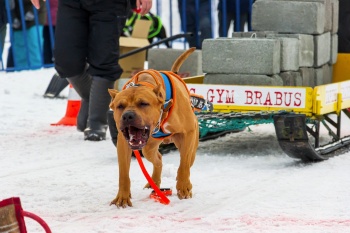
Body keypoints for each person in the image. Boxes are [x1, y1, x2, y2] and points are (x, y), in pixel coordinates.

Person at [31, 0, 153, 141]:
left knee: (104, 60)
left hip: (110, 4)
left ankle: (97, 124)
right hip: (72, 4)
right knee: (65, 62)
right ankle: (93, 99)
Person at [7, 0, 46, 70]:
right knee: (19, 48)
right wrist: (13, 17)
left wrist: (33, 11)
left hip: (35, 18)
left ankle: (36, 70)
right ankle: (21, 72)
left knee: (34, 46)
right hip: (17, 17)